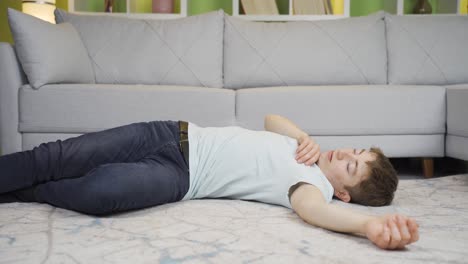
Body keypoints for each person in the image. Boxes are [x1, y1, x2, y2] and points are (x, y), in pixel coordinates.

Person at [0, 114, 419, 250]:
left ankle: (25, 190)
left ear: (343, 192)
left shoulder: (312, 188)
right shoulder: (307, 149)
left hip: (180, 176)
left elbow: (316, 213)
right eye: (355, 151)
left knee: (101, 192)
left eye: (351, 166)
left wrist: (367, 226)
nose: (345, 155)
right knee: (57, 156)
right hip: (170, 133)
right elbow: (271, 118)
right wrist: (302, 136)